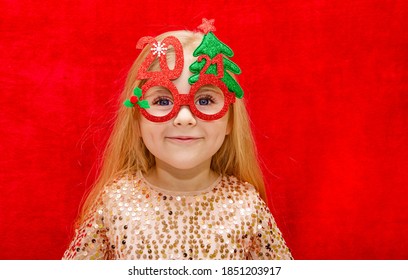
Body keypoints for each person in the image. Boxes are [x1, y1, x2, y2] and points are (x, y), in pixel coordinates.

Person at [62, 19, 293, 260]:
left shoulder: (245, 204)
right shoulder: (116, 201)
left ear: (231, 121)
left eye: (204, 101)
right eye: (163, 101)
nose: (184, 118)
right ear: (137, 120)